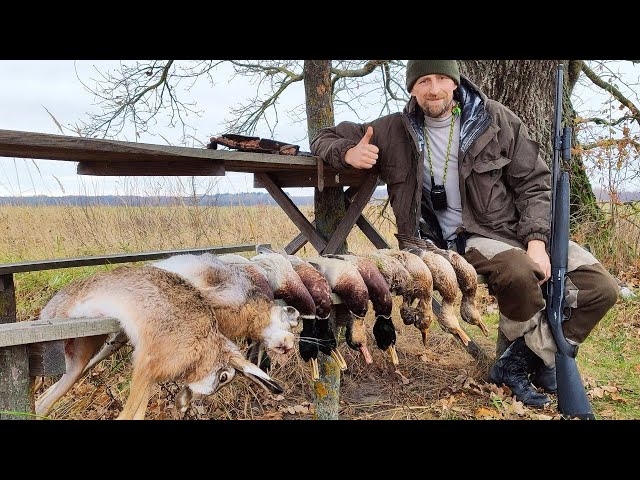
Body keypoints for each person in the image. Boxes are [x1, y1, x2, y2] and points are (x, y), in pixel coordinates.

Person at [310, 60, 619, 407]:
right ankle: (531, 365)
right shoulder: (391, 130)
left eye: (442, 78)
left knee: (601, 288)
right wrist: (348, 152)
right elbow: (323, 137)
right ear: (412, 88)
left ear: (455, 83)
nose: (434, 88)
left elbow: (534, 183)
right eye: (424, 80)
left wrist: (536, 241)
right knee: (519, 273)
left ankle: (531, 360)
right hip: (459, 239)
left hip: (516, 229)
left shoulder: (495, 120)